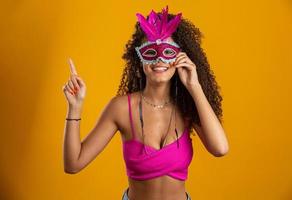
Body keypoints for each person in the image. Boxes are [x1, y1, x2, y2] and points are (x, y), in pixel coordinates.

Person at [62, 5, 229, 200]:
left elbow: (220, 148)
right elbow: (73, 164)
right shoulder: (121, 108)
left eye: (167, 52)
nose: (159, 59)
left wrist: (194, 86)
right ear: (139, 58)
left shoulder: (187, 106)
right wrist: (75, 107)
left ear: (180, 57)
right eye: (151, 52)